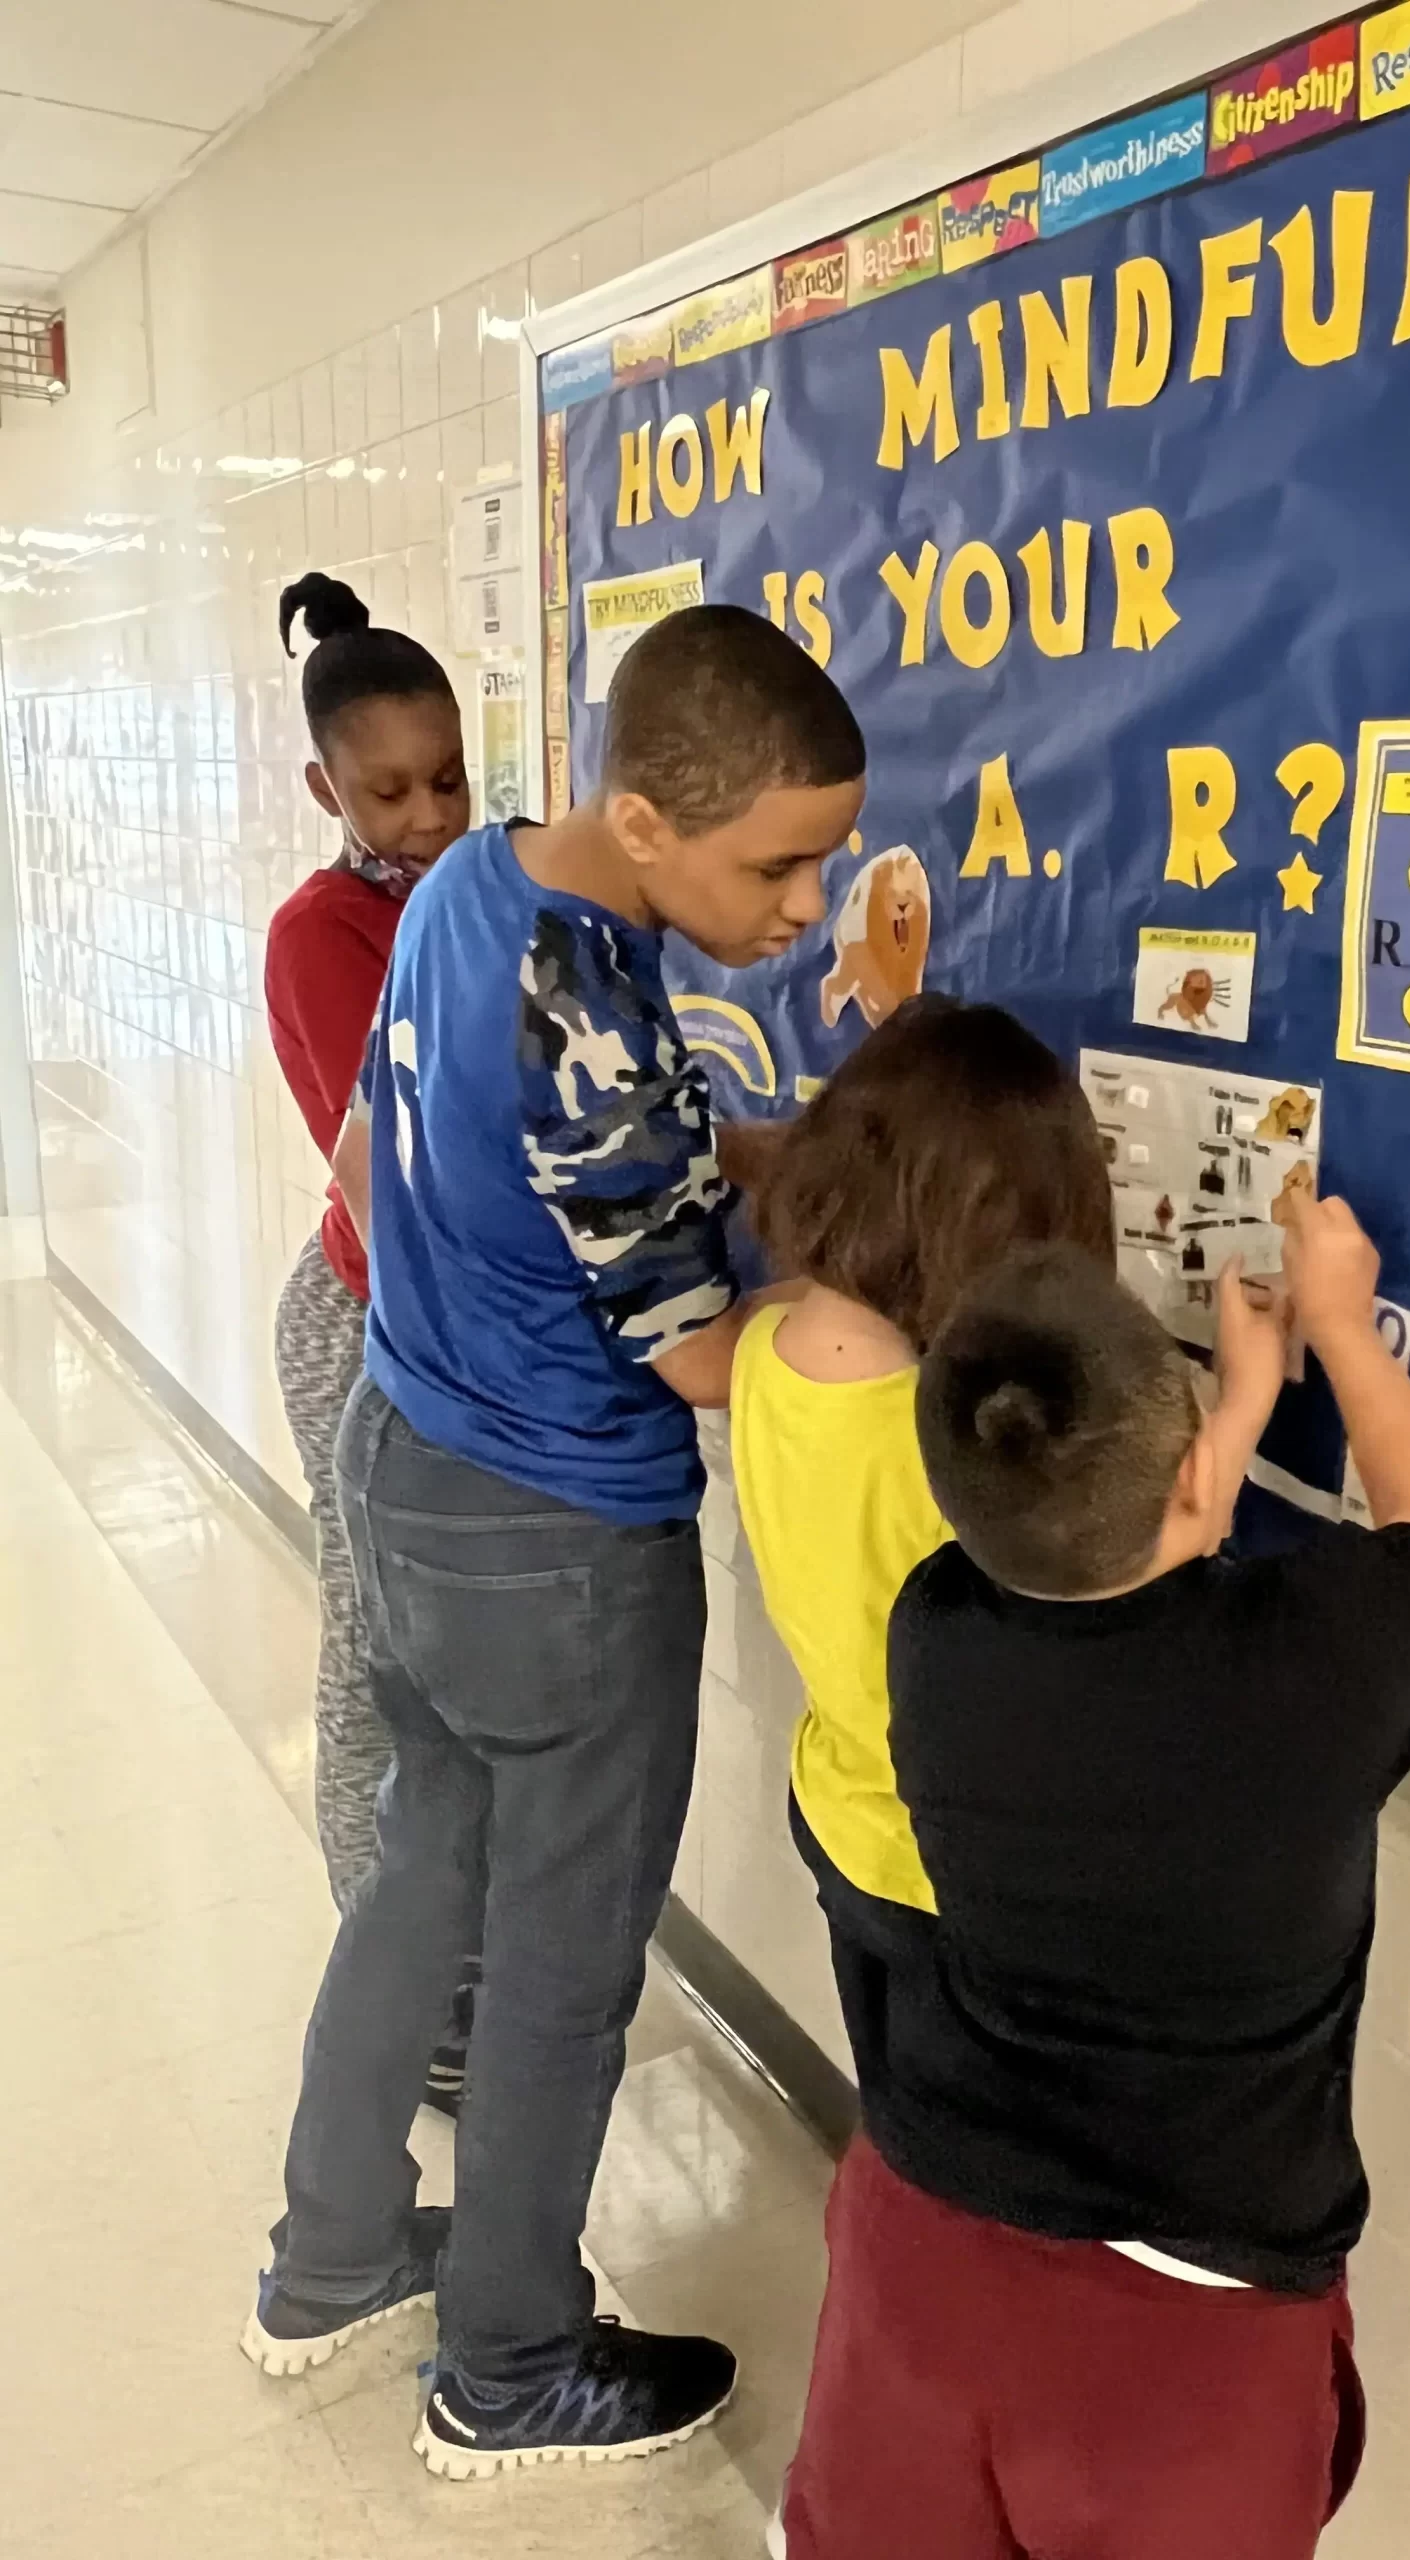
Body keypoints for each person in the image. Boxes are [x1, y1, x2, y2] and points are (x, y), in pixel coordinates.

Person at [241, 605, 867, 2481]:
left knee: (426, 1883)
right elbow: (697, 1357)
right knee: (562, 1965)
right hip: (559, 1542)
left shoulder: (467, 893)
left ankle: (335, 2258)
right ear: (653, 821)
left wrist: (769, 1144)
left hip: (409, 1463)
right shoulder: (594, 1005)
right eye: (779, 864)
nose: (809, 907)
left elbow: (451, 1160)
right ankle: (507, 2370)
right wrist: (877, 1295)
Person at [782, 1198, 1410, 2560]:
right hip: (1179, 2327)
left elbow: (1095, 1551)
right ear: (1186, 1477)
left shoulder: (936, 1629)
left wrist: (1235, 1401)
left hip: (919, 2247)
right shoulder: (1311, 1673)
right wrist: (1338, 1329)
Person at [728, 996, 1114, 2142]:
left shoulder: (762, 1349)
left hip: (842, 1815)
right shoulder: (950, 1443)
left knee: (902, 2125)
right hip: (957, 1869)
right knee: (984, 2165)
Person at [264, 573, 481, 2109]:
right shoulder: (322, 933)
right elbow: (395, 1169)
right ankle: (400, 1992)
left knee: (453, 1662)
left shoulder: (484, 894)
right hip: (366, 1324)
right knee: (372, 1659)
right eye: (387, 790)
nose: (424, 815)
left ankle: (456, 1958)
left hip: (460, 1324)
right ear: (324, 787)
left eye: (448, 780)